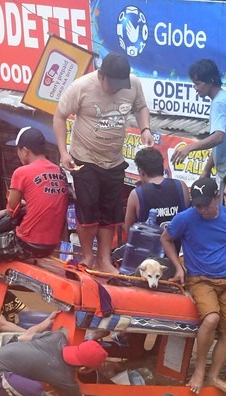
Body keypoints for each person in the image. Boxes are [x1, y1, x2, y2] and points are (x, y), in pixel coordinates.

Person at [53, 53, 152, 274]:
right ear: (100, 75)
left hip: (114, 160)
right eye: (112, 84)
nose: (116, 89)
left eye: (120, 85)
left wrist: (145, 128)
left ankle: (104, 259)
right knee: (88, 209)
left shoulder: (133, 84)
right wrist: (63, 152)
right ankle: (88, 257)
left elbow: (141, 107)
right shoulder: (81, 87)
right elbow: (59, 117)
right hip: (85, 158)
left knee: (110, 211)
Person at [0, 126, 68, 310]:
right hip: (51, 244)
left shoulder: (21, 173)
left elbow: (12, 207)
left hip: (25, 243)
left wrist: (6, 211)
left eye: (18, 150)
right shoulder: (59, 172)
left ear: (25, 150)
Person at [160, 177, 226, 395]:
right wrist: (178, 267)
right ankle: (199, 369)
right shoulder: (185, 218)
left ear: (217, 197)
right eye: (197, 205)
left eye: (206, 204)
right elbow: (166, 239)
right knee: (211, 318)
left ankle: (213, 376)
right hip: (200, 279)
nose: (202, 209)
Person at [0, 328, 121, 396]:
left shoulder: (57, 337)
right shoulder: (63, 378)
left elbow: (23, 337)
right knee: (36, 392)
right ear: (84, 369)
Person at [169, 59, 226, 187]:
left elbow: (219, 137)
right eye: (194, 84)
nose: (195, 88)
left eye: (198, 84)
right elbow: (219, 144)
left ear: (210, 82)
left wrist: (189, 148)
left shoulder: (219, 104)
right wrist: (207, 169)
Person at [124, 147, 190, 236]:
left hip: (148, 247)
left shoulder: (136, 194)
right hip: (176, 247)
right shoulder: (181, 186)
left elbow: (129, 230)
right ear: (162, 168)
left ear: (142, 172)